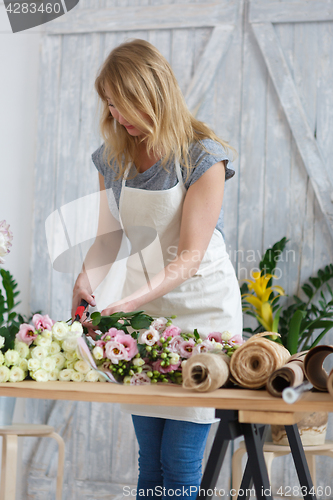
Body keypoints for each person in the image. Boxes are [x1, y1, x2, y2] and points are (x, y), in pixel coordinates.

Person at [72, 39, 243, 500]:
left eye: (123, 105)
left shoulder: (203, 158)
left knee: (181, 465)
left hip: (203, 314)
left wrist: (128, 302)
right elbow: (108, 239)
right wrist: (85, 280)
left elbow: (188, 257)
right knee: (150, 465)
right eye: (109, 105)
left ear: (153, 96)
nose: (117, 117)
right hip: (147, 319)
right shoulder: (113, 157)